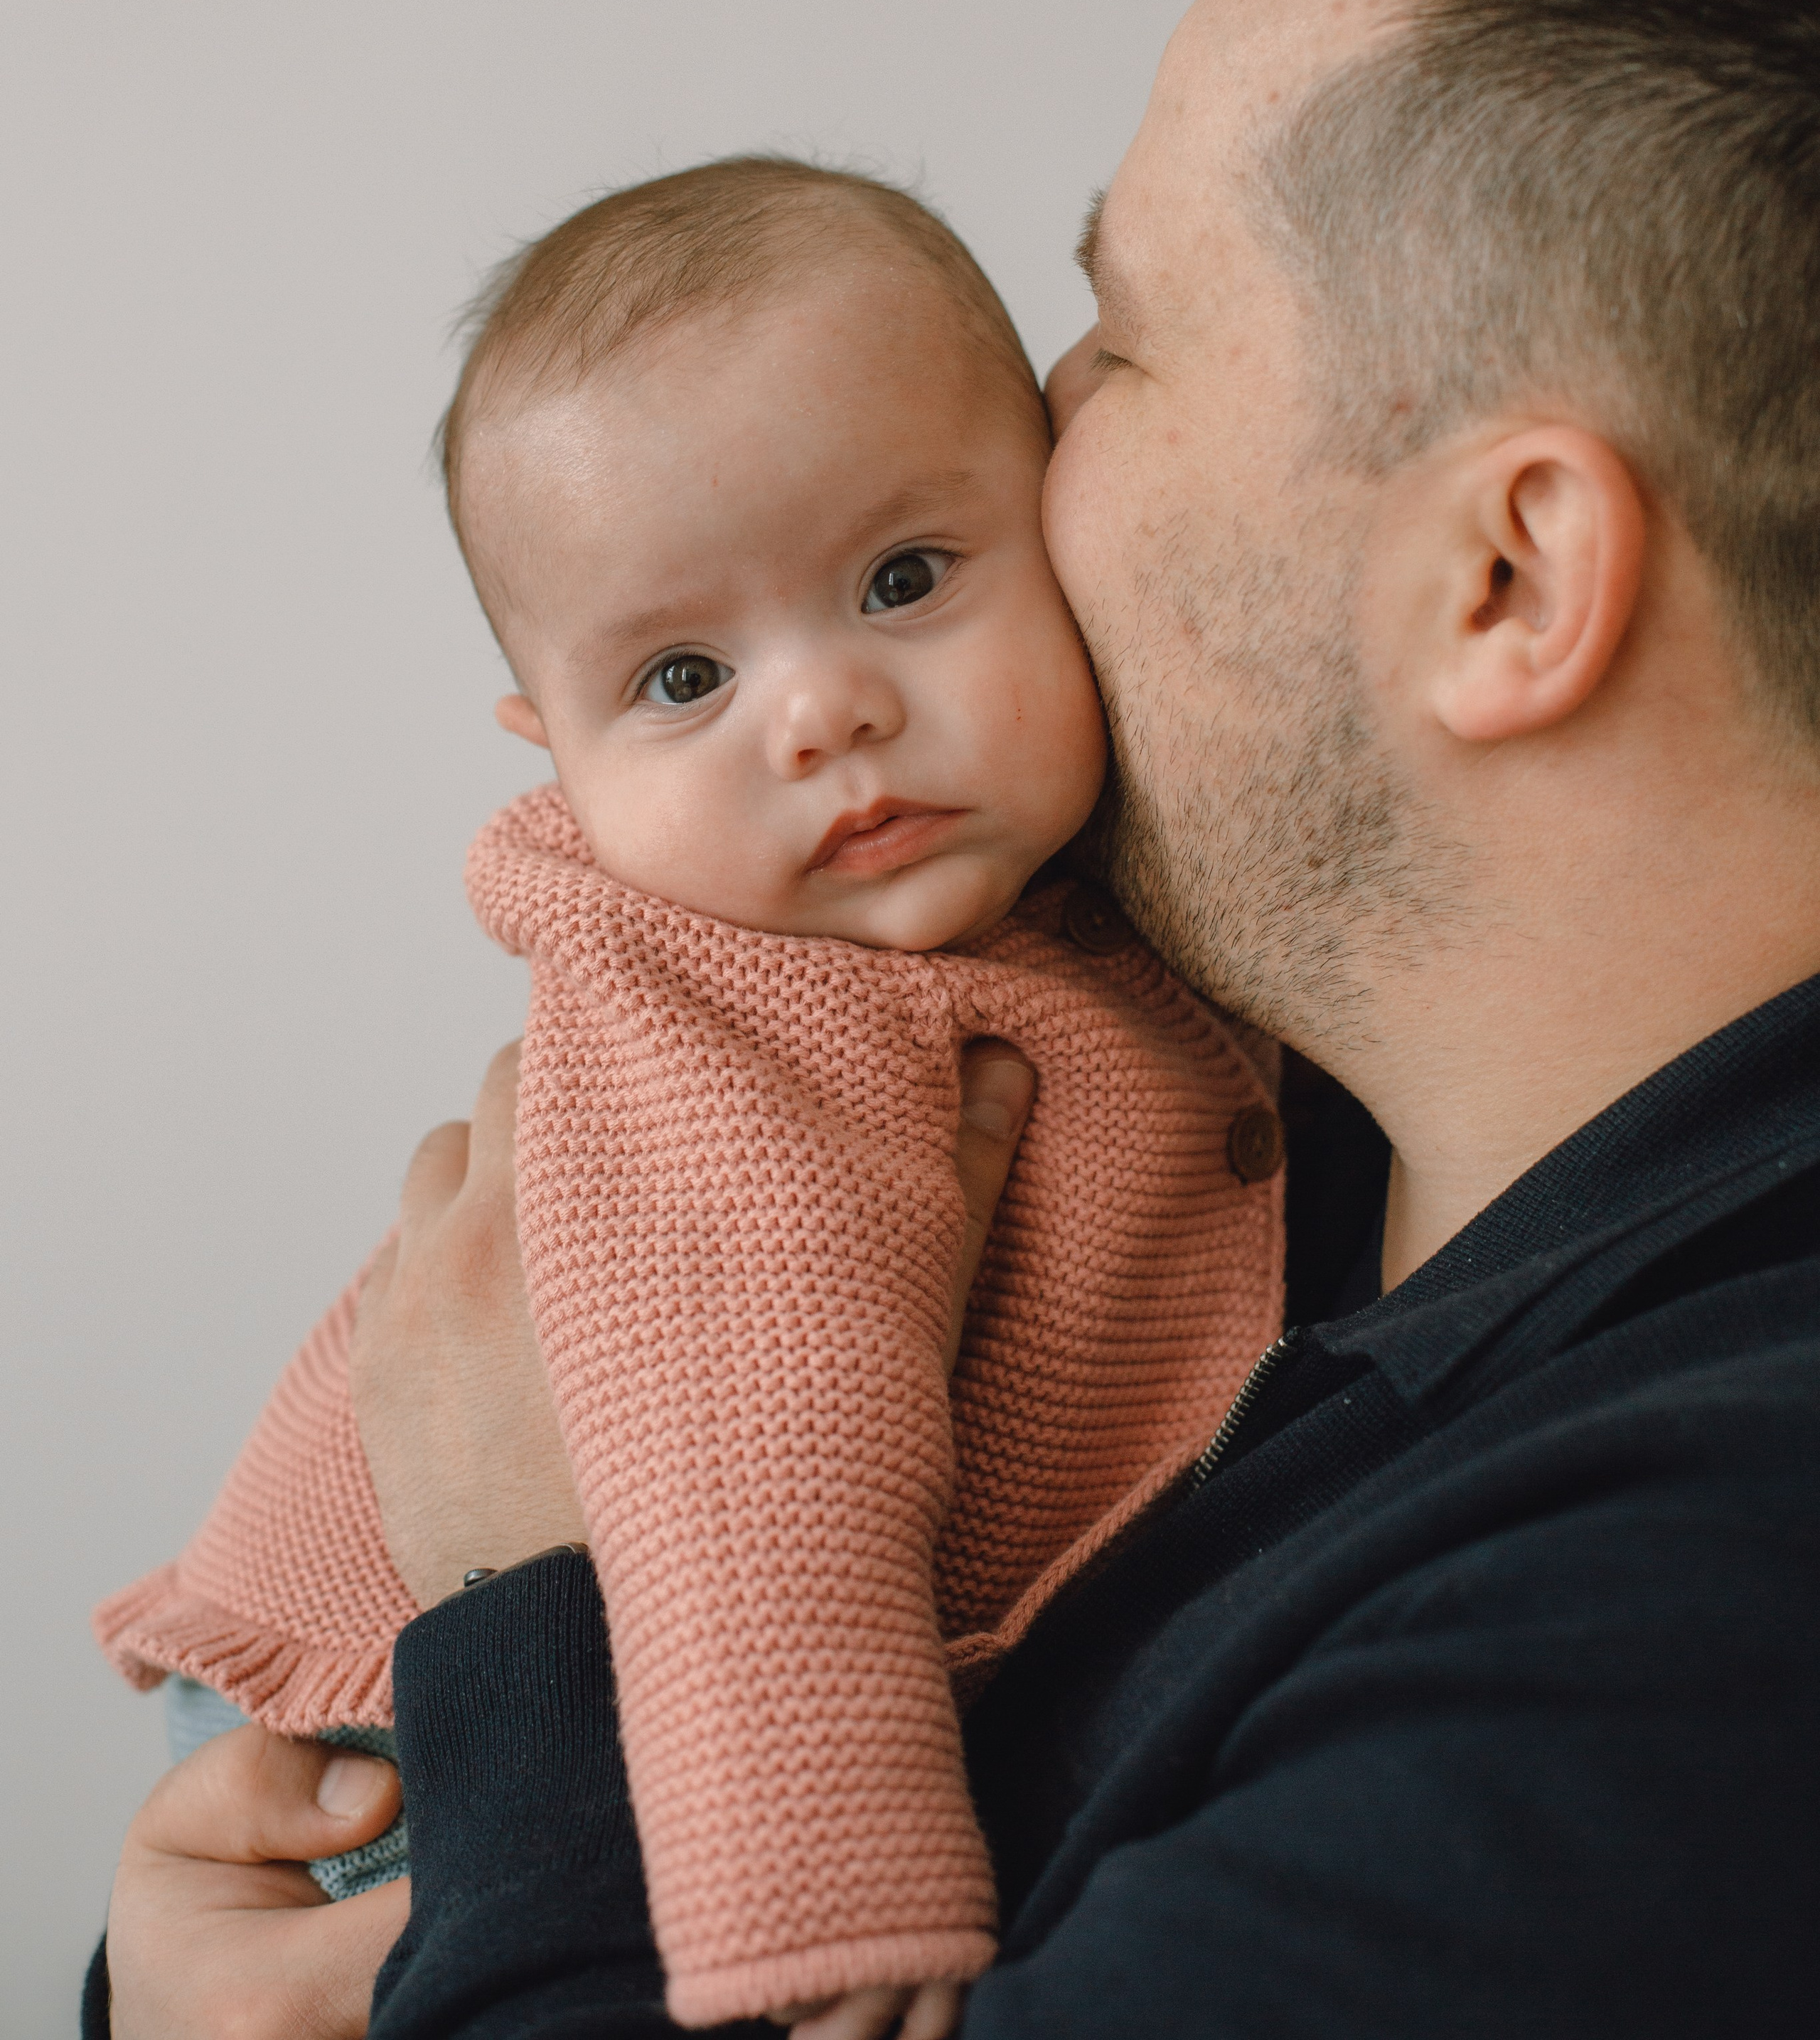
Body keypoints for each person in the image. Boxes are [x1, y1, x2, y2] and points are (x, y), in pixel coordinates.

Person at [96, 0, 1820, 2036]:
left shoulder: (1677, 1631)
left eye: (1122, 339)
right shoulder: (1280, 1143)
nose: (1042, 435)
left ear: (1503, 578)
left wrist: (532, 1589)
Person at [95, 159, 1285, 2036]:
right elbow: (752, 1465)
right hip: (426, 1741)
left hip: (654, 1688)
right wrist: (834, 1884)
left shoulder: (1048, 907)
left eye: (905, 578)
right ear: (553, 758)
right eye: (680, 676)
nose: (819, 713)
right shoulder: (728, 1016)